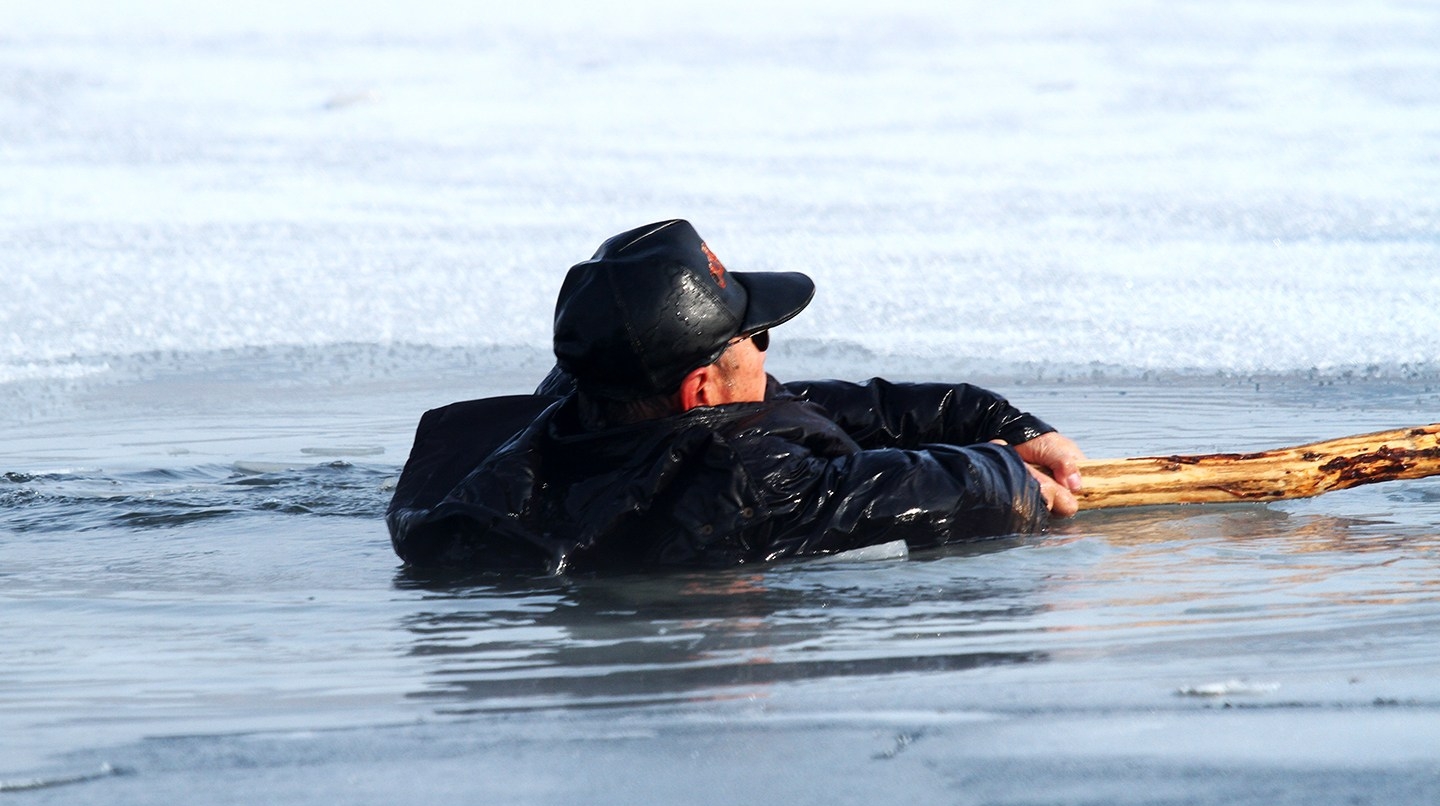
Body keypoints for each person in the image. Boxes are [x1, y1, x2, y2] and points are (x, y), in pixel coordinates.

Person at [387, 219, 1084, 575]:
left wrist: (994, 419)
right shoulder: (745, 485)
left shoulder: (576, 408)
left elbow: (806, 411)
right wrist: (1007, 474)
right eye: (758, 337)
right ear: (699, 390)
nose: (766, 352)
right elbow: (942, 491)